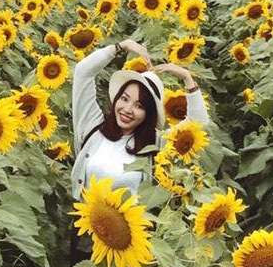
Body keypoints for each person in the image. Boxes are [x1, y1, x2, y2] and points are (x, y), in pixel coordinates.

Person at [70, 39, 210, 201]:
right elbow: (82, 72)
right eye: (124, 98)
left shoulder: (155, 144)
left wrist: (187, 78)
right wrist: (120, 46)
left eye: (139, 106)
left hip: (133, 224)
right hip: (86, 223)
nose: (127, 109)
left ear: (149, 113)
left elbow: (198, 125)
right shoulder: (92, 126)